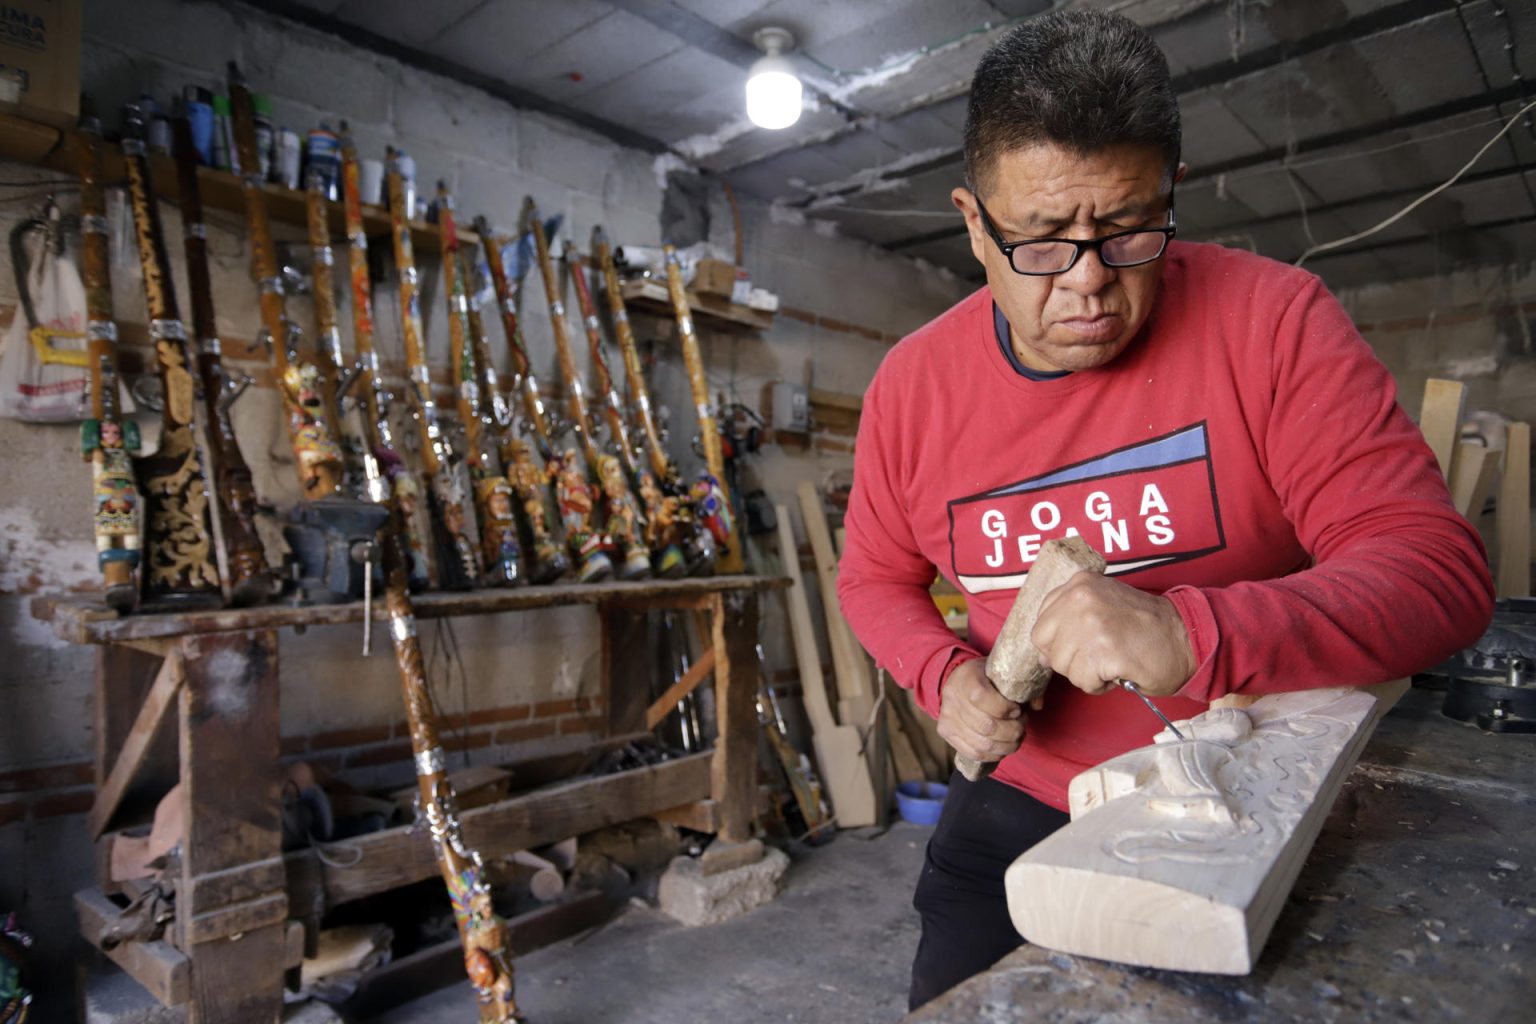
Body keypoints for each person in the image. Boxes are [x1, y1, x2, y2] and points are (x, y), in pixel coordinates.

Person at [835, 9, 1495, 1010]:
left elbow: (1436, 572)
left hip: (1235, 806)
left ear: (1171, 191)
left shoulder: (1274, 321)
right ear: (974, 224)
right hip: (1013, 798)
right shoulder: (911, 387)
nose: (1092, 279)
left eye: (1129, 227)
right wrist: (943, 675)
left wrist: (1193, 628)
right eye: (1043, 241)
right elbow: (873, 578)